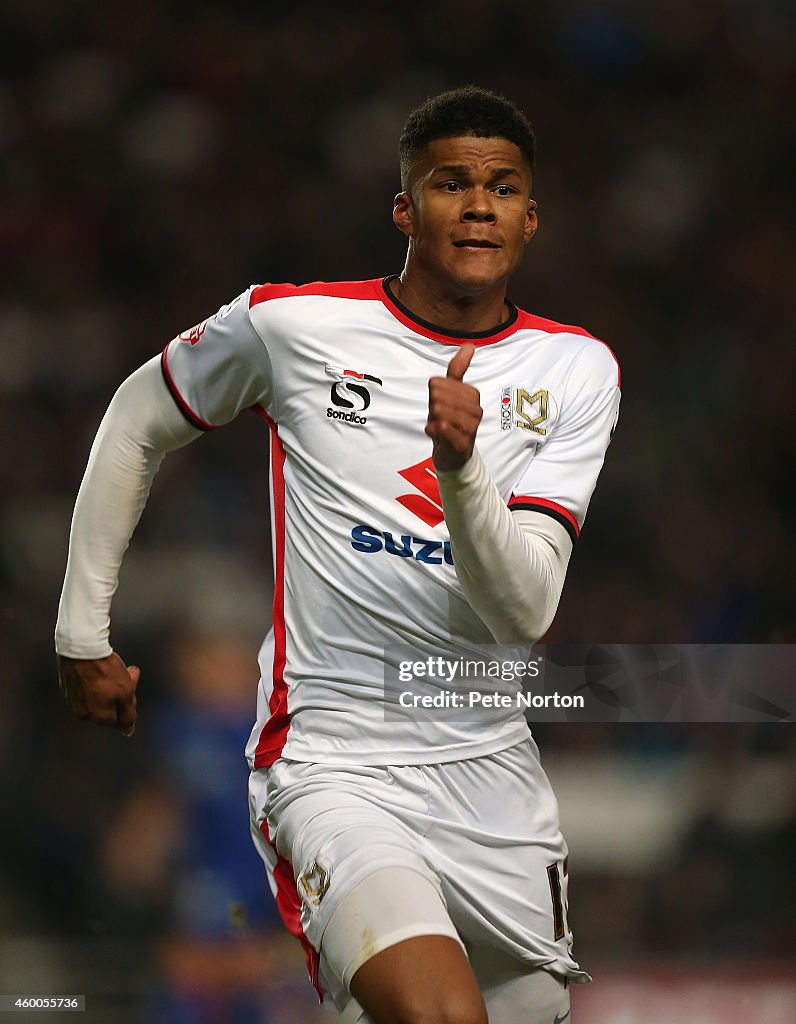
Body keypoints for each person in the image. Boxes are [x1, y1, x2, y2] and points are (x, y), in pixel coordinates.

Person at [56, 86, 620, 1024]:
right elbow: (135, 420)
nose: (478, 203)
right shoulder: (294, 327)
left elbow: (524, 611)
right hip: (334, 764)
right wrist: (82, 633)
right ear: (406, 207)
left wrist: (462, 471)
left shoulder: (576, 369)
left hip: (494, 782)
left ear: (530, 217)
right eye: (450, 183)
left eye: (503, 186)